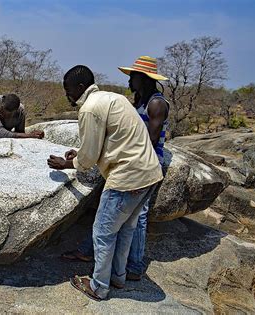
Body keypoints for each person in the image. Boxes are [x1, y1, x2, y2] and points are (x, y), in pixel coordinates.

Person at [47, 65, 163, 301]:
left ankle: (99, 286)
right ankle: (118, 277)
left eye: (68, 90)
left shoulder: (89, 109)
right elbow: (110, 141)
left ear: (80, 88)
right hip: (149, 172)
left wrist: (67, 164)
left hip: (127, 177)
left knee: (102, 233)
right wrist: (79, 153)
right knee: (126, 229)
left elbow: (89, 157)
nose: (67, 95)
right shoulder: (113, 97)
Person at [119, 55, 170, 280]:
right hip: (135, 158)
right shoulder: (139, 100)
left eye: (133, 77)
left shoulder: (156, 103)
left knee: (139, 214)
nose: (129, 81)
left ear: (144, 78)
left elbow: (150, 139)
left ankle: (135, 265)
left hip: (147, 162)